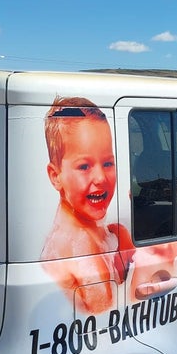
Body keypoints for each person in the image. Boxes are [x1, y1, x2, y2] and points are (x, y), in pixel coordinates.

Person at [41, 96, 133, 314]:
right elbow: (105, 314)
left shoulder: (81, 231)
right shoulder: (81, 247)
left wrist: (121, 238)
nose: (100, 177)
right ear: (56, 176)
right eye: (84, 166)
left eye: (108, 163)